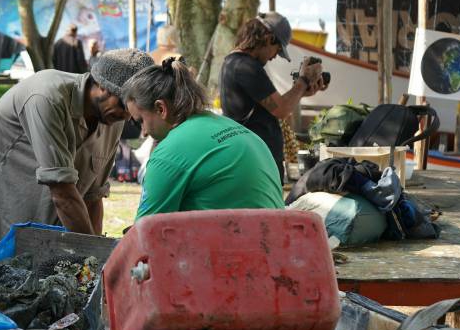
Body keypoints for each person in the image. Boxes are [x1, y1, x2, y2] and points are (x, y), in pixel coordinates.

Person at [0, 48, 155, 275]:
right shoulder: (46, 96)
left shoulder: (111, 118)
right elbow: (63, 195)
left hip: (36, 227)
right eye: (122, 105)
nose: (126, 116)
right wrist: (95, 260)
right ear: (102, 85)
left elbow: (92, 196)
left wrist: (94, 257)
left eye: (131, 109)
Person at [122, 57, 284, 220]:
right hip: (279, 238)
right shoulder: (233, 127)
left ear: (160, 108)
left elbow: (144, 233)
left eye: (140, 121)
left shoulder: (170, 152)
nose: (143, 132)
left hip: (237, 243)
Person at [219, 11, 327, 182]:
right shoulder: (245, 66)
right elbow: (281, 109)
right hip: (255, 165)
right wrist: (304, 79)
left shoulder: (235, 63)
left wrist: (302, 90)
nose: (274, 56)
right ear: (269, 39)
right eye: (277, 50)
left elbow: (276, 105)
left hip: (253, 162)